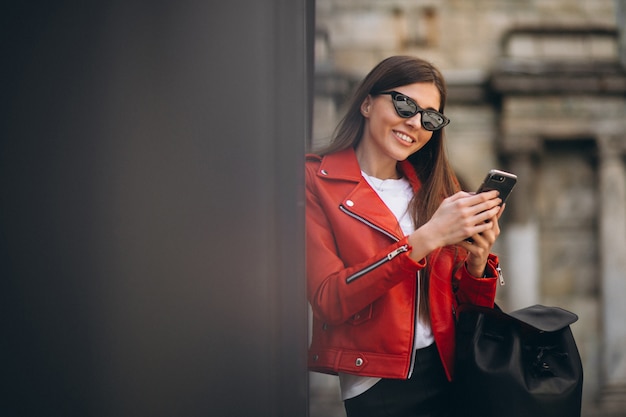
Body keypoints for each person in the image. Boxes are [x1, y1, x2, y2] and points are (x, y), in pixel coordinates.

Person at [306, 55, 505, 417]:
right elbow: (329, 298)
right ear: (366, 102)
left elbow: (466, 308)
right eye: (404, 104)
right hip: (380, 383)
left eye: (430, 117)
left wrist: (478, 263)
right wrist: (426, 239)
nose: (415, 123)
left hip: (451, 372)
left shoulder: (437, 190)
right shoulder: (316, 181)